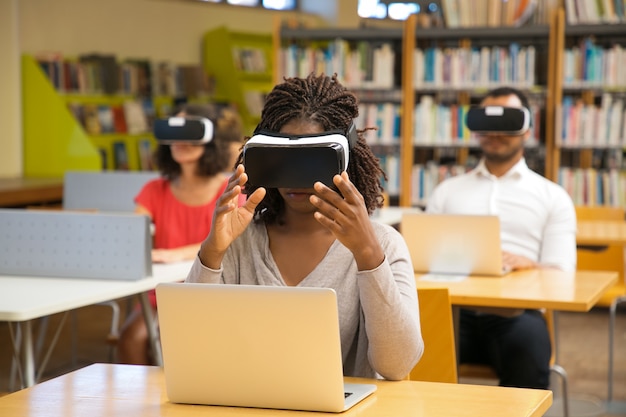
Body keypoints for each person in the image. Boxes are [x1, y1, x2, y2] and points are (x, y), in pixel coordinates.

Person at [186, 73, 424, 381]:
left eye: (312, 161)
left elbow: (397, 365)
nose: (295, 177)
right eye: (284, 160)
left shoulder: (383, 244)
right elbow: (190, 347)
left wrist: (367, 255)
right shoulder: (240, 240)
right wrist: (213, 251)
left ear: (344, 160)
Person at [426, 86, 577, 389]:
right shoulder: (447, 192)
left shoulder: (553, 197)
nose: (495, 132)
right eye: (487, 123)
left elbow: (563, 275)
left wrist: (529, 264)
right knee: (415, 350)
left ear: (526, 128)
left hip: (518, 316)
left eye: (506, 122)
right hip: (454, 311)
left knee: (528, 354)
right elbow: (422, 259)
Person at [117, 102, 244, 365]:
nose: (180, 142)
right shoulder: (155, 190)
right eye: (173, 135)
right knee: (131, 337)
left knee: (175, 338)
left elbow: (231, 239)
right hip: (161, 293)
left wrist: (174, 254)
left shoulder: (229, 189)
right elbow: (130, 234)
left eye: (189, 134)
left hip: (212, 291)